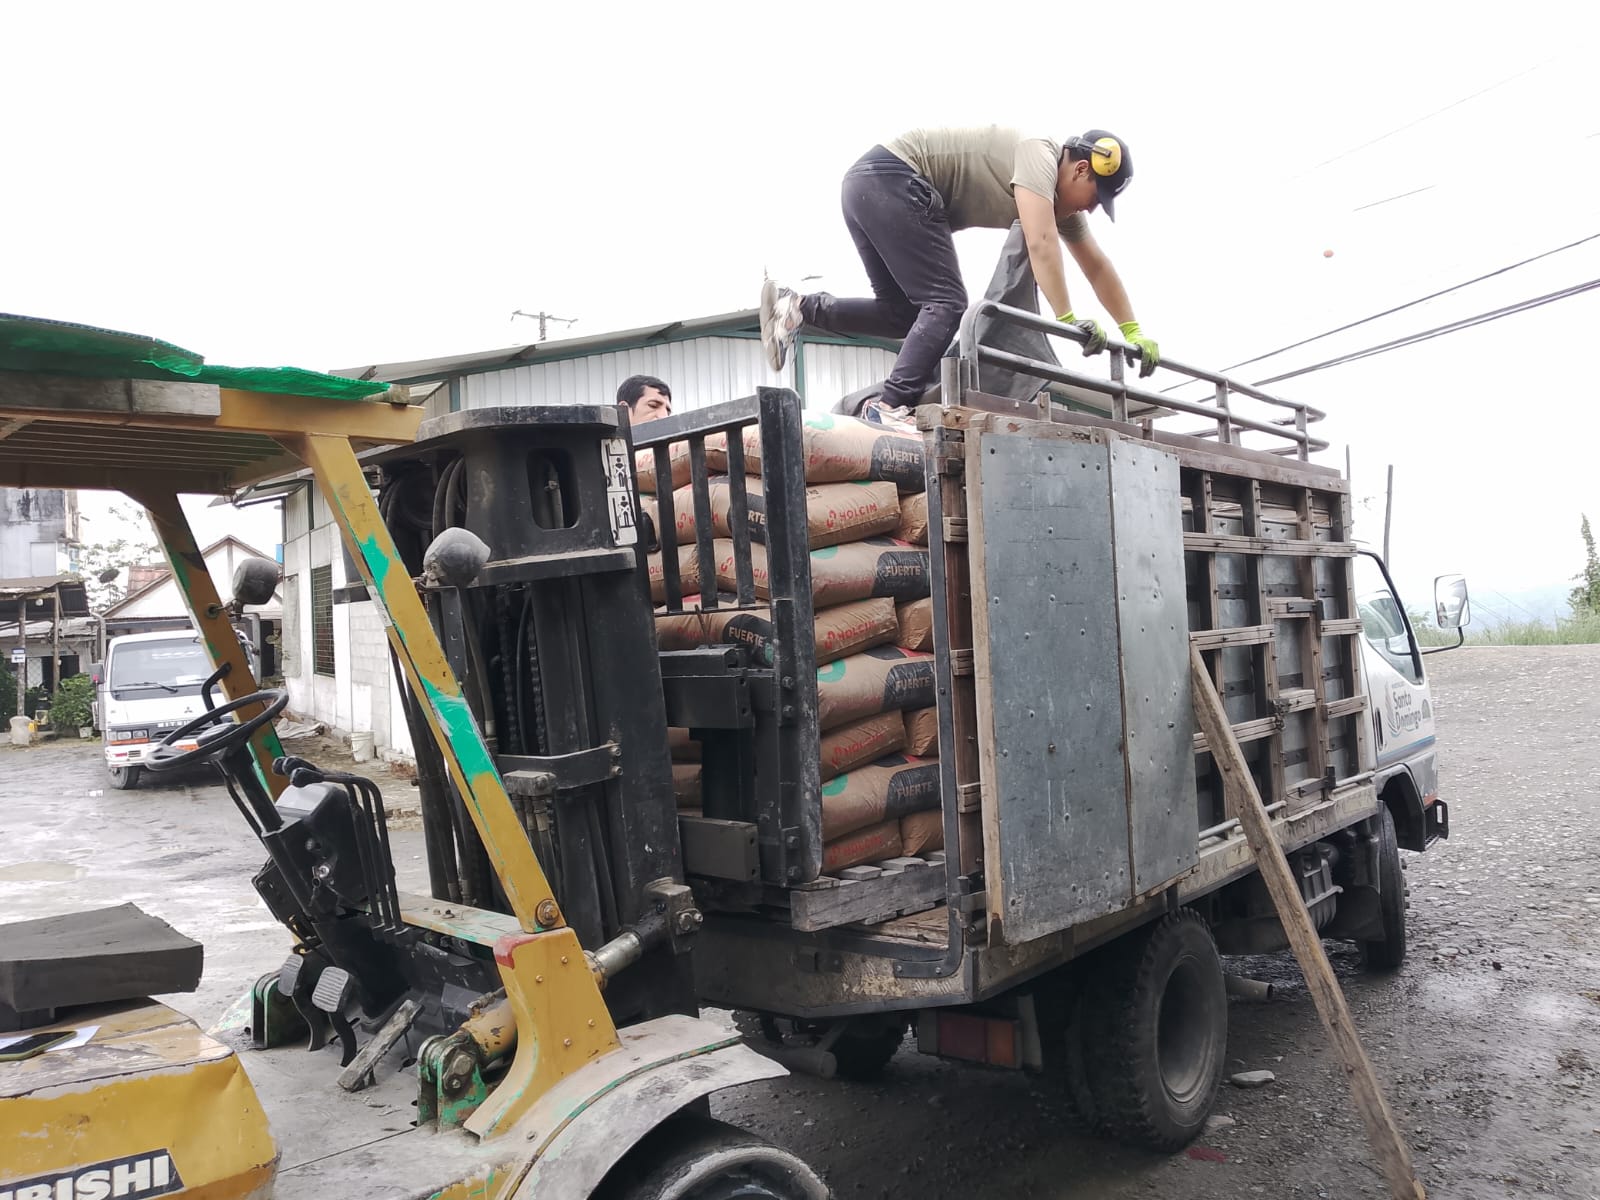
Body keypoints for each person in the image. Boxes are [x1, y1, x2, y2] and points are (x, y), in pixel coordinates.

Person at [761, 126, 1161, 410]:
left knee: (903, 315)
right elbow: (1041, 243)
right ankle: (889, 407)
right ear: (1081, 169)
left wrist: (1133, 330)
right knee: (947, 303)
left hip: (867, 187)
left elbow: (1097, 266)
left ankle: (796, 309)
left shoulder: (1062, 204)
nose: (1092, 209)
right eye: (1096, 197)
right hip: (895, 179)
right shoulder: (1040, 156)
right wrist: (1068, 321)